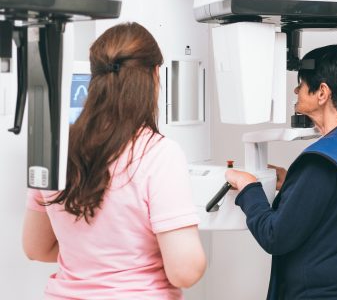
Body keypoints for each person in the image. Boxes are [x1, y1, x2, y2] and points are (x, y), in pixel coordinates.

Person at [22, 22, 206, 299]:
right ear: (155, 75)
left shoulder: (54, 147)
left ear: (95, 77)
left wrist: (93, 256)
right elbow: (185, 271)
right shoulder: (158, 153)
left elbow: (36, 248)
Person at [226, 44, 337, 300]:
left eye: (301, 83)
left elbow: (274, 236)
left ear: (322, 92)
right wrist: (293, 183)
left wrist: (249, 188)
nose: (296, 90)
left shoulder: (320, 163)